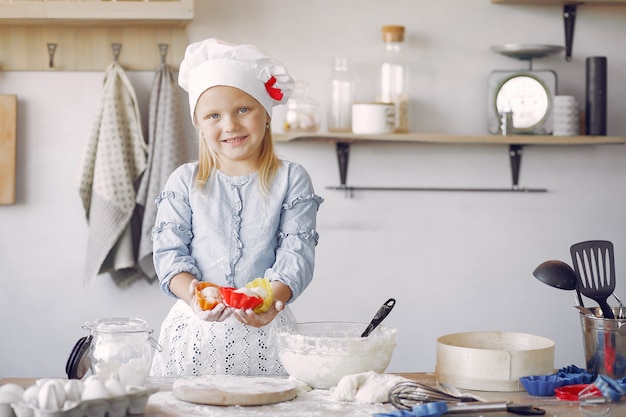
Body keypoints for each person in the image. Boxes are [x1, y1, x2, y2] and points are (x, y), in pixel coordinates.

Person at [150, 38, 323, 377]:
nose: (229, 125)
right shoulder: (184, 180)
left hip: (269, 337)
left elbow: (296, 254)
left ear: (266, 113)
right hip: (193, 337)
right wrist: (195, 294)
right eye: (213, 115)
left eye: (243, 109)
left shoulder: (292, 179)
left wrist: (268, 301)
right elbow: (168, 254)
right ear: (199, 125)